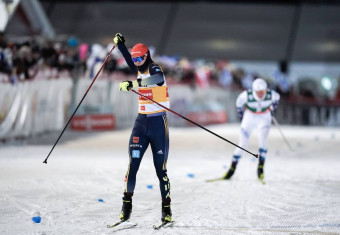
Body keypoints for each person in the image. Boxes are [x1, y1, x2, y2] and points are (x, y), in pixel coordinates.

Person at [113, 33, 172, 224]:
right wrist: (121, 45)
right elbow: (129, 60)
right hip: (141, 124)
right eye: (135, 59)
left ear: (147, 56)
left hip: (157, 124)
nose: (137, 62)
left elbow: (157, 79)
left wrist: (134, 84)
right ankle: (126, 207)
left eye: (140, 58)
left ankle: (166, 209)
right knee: (133, 165)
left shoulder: (154, 68)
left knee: (160, 169)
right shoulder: (138, 68)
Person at [222, 78, 280, 182]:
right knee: (242, 144)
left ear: (266, 90)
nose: (261, 94)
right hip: (250, 117)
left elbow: (277, 98)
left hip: (264, 117)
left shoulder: (271, 94)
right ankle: (232, 168)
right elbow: (238, 103)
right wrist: (241, 114)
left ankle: (260, 168)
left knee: (263, 142)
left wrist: (273, 108)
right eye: (258, 92)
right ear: (254, 91)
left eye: (262, 92)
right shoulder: (246, 95)